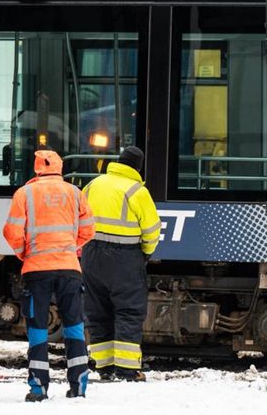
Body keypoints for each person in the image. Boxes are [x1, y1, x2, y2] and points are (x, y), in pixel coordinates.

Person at [3, 149, 95, 402]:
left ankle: (38, 388)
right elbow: (89, 229)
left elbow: (11, 231)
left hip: (36, 270)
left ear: (37, 167)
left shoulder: (24, 193)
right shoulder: (75, 193)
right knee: (74, 326)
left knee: (37, 328)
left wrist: (26, 253)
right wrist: (71, 248)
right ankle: (79, 386)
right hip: (69, 268)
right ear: (60, 168)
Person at [81, 146, 160, 382]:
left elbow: (80, 216)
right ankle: (126, 370)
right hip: (124, 257)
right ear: (137, 167)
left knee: (97, 310)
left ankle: (104, 366)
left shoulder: (93, 184)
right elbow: (152, 229)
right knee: (128, 310)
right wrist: (145, 252)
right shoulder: (136, 190)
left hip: (91, 254)